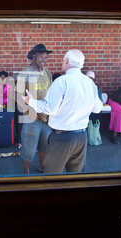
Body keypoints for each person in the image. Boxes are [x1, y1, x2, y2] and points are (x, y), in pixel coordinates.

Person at [22, 49, 103, 173]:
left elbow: (50, 108)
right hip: (81, 136)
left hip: (62, 138)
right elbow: (98, 108)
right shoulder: (90, 83)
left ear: (66, 61)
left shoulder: (61, 81)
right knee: (76, 177)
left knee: (52, 177)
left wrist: (31, 102)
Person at [15, 44, 53, 174]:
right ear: (33, 56)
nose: (44, 59)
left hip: (46, 117)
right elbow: (16, 95)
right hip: (31, 118)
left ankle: (42, 166)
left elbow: (51, 92)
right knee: (29, 148)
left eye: (45, 57)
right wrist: (29, 110)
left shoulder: (47, 72)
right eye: (41, 56)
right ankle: (26, 172)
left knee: (44, 145)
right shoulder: (25, 72)